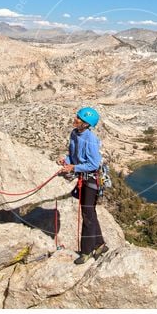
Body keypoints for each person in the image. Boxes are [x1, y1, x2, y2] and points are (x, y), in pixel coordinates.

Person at [57, 107, 109, 265]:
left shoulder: (90, 139)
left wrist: (74, 168)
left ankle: (86, 251)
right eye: (77, 117)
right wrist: (66, 160)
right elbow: (73, 155)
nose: (76, 119)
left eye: (79, 118)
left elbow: (93, 163)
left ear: (86, 124)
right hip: (83, 177)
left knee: (87, 215)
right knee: (89, 212)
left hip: (91, 179)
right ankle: (100, 244)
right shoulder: (74, 134)